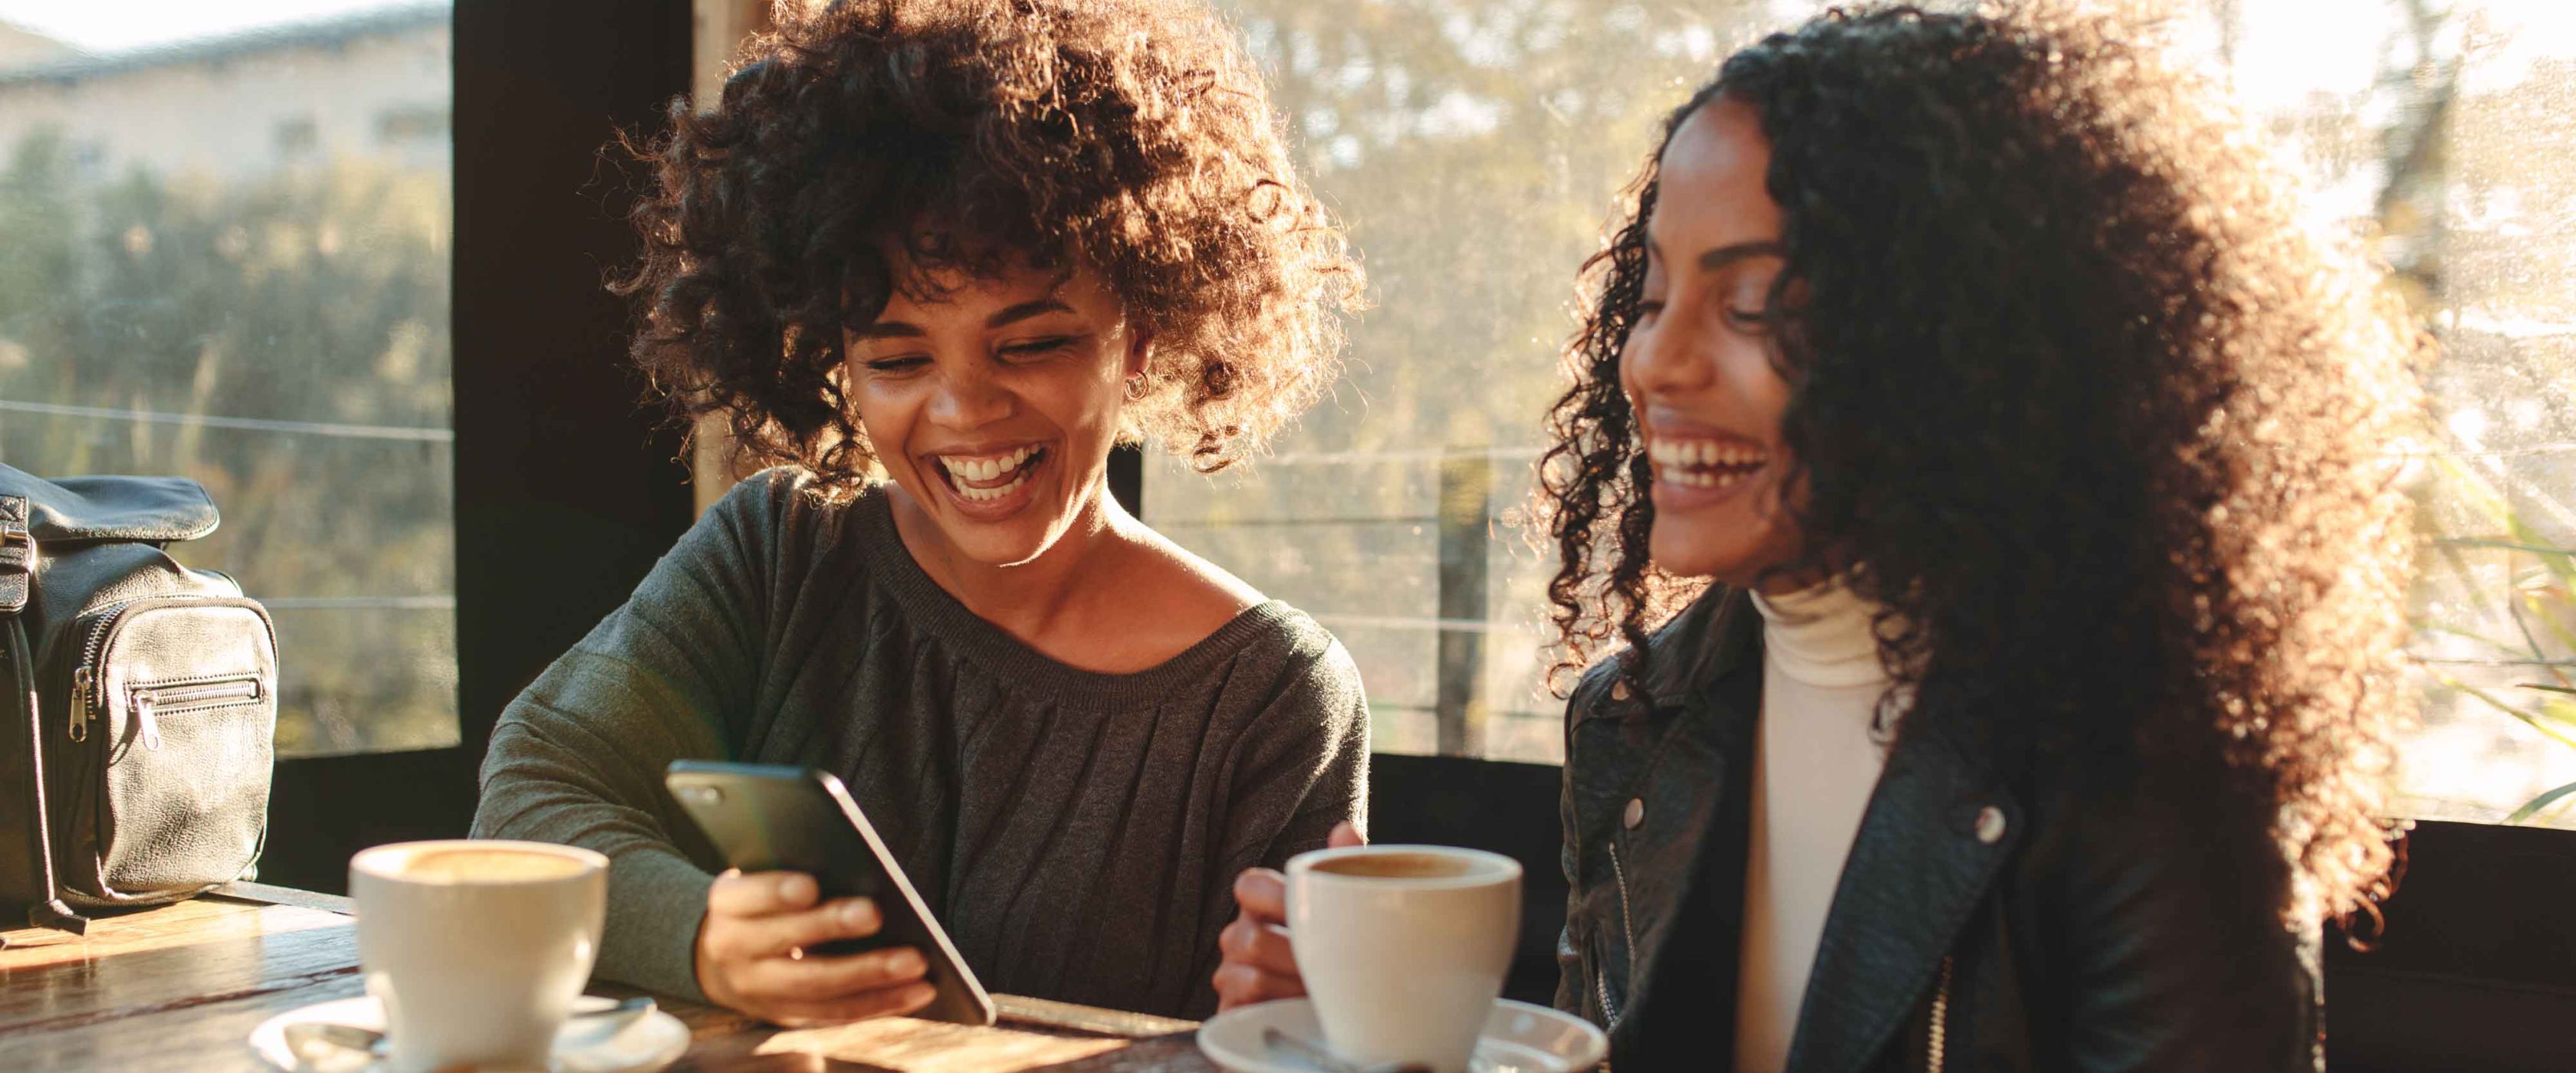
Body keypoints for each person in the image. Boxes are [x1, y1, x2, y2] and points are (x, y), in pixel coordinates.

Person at [1214, 5, 2419, 1068]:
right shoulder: (1634, 724)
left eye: (1751, 306)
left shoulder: (2143, 773)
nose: (1654, 360)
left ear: (1969, 348)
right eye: (1648, 297)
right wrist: (1377, 1039)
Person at [474, 0, 1370, 1024]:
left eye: (1030, 344)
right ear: (834, 360)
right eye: (898, 359)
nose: (965, 412)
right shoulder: (778, 554)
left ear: (1139, 335)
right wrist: (701, 936)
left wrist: (1310, 1018)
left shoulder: (1269, 698)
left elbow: (1292, 1027)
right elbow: (537, 793)